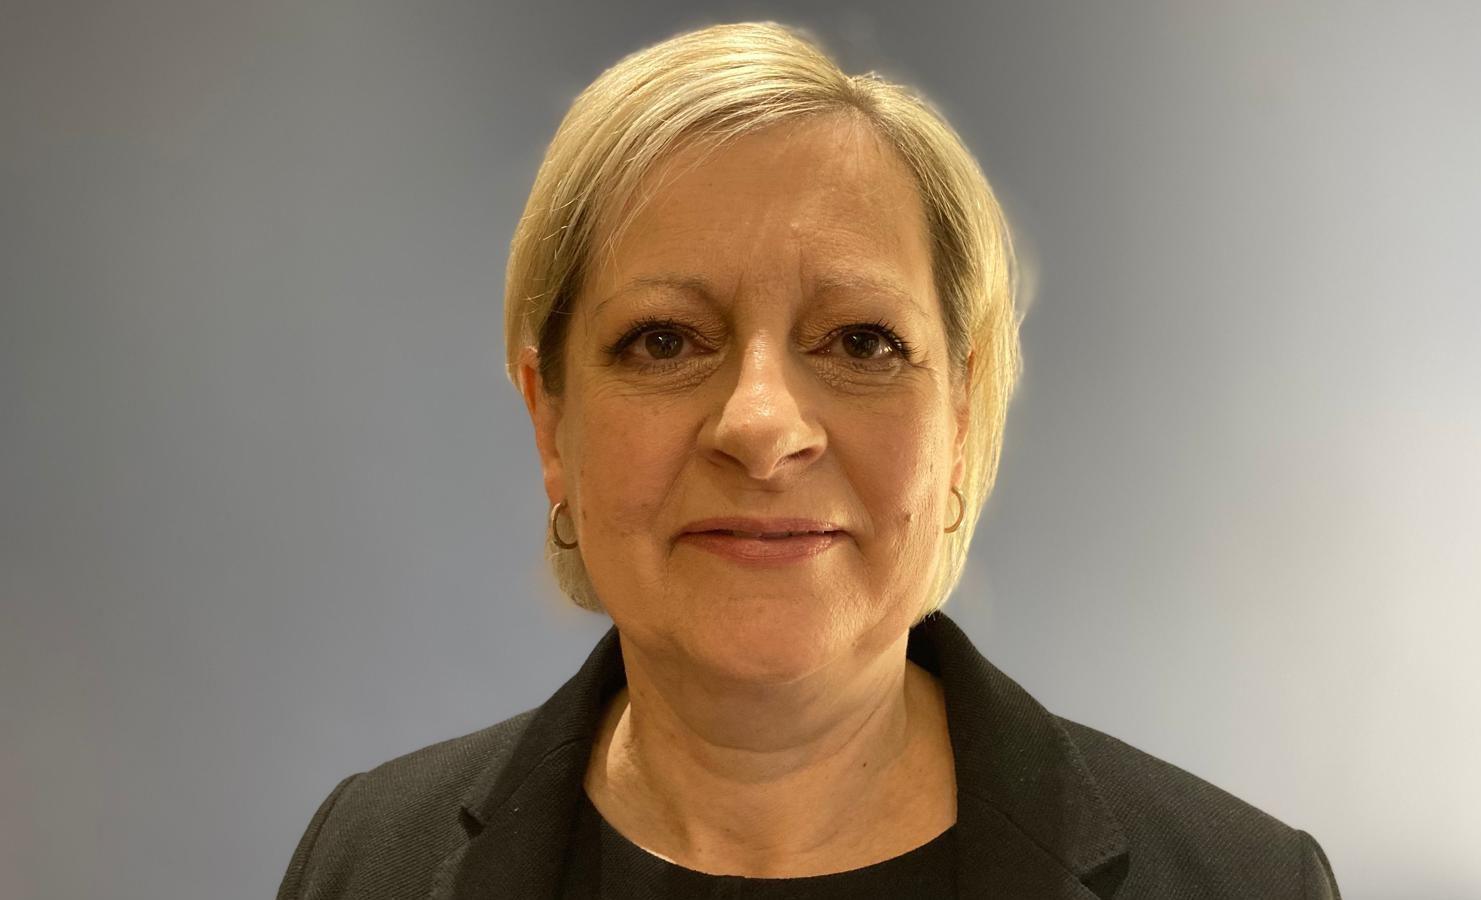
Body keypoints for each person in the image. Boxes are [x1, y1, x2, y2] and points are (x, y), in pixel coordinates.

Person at [276, 21, 1341, 899]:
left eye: (862, 342)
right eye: (663, 339)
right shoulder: (366, 863)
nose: (761, 422)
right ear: (551, 421)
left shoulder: (1241, 882)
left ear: (961, 421)